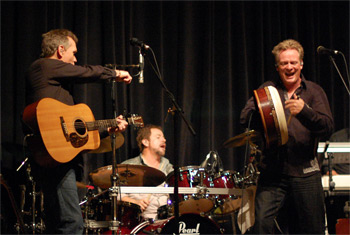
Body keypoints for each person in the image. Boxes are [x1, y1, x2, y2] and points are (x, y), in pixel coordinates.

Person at [24, 29, 132, 234]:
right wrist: (114, 73)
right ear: (60, 50)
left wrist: (107, 130)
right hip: (53, 159)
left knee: (60, 224)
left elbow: (75, 136)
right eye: (73, 53)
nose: (75, 60)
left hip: (60, 158)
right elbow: (84, 72)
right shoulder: (42, 67)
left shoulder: (56, 88)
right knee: (72, 224)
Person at [240, 39, 334, 234]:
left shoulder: (314, 91)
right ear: (277, 67)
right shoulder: (268, 90)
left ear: (301, 64)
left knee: (312, 229)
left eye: (293, 62)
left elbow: (327, 127)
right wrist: (263, 112)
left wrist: (305, 111)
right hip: (273, 173)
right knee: (261, 226)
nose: (289, 67)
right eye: (284, 63)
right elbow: (244, 117)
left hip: (306, 172)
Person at [120, 124, 173, 220]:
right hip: (138, 221)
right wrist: (133, 202)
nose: (164, 140)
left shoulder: (170, 169)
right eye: (158, 137)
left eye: (164, 137)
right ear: (145, 142)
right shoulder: (129, 166)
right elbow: (117, 193)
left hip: (166, 221)